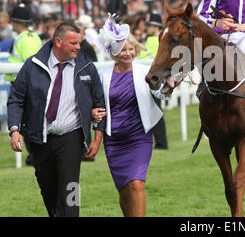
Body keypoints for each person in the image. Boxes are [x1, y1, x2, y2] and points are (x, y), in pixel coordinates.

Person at [7, 22, 106, 217]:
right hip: (38, 139)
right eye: (74, 43)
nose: (79, 46)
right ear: (58, 42)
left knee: (70, 187)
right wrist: (14, 129)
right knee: (49, 190)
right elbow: (16, 99)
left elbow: (99, 102)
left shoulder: (86, 67)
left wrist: (97, 136)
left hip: (71, 137)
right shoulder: (32, 65)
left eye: (79, 42)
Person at [95, 14, 168, 216]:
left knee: (136, 185)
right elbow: (96, 102)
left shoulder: (144, 71)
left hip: (139, 138)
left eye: (131, 48)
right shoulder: (103, 76)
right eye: (124, 49)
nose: (128, 53)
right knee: (125, 190)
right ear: (115, 53)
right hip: (114, 140)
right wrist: (94, 111)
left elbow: (159, 92)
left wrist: (167, 87)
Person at [6, 3, 43, 166]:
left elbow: (31, 65)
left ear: (15, 21)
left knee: (28, 123)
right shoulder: (30, 36)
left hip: (24, 87)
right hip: (24, 86)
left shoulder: (26, 39)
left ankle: (35, 155)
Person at [139, 12, 169, 149]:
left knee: (156, 110)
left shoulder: (160, 41)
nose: (147, 27)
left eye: (149, 25)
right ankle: (157, 143)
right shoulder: (149, 40)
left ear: (156, 27)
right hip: (145, 78)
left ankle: (162, 143)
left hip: (154, 79)